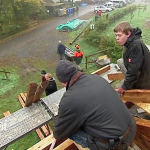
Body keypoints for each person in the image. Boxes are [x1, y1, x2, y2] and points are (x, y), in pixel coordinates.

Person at [53, 60, 136, 150]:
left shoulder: (69, 98)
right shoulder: (96, 78)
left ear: (63, 82)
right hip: (132, 128)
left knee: (70, 131)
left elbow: (58, 133)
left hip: (113, 145)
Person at [114, 21, 150, 95]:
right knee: (120, 61)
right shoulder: (132, 43)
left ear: (128, 34)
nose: (117, 38)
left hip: (145, 84)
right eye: (116, 35)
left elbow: (134, 70)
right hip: (144, 77)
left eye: (119, 35)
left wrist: (125, 87)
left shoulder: (135, 46)